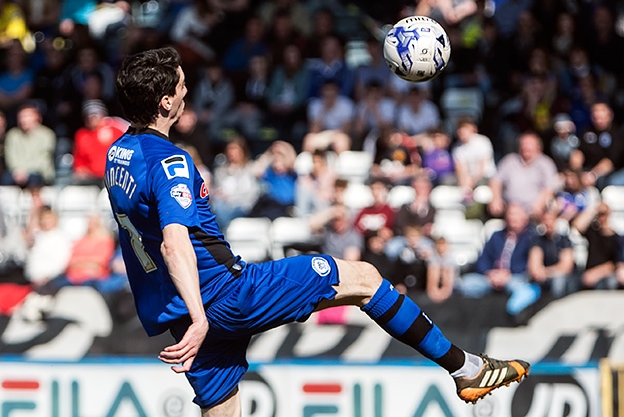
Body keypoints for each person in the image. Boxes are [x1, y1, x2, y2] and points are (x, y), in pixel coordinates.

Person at [107, 47, 529, 415]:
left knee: (223, 412)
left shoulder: (118, 154)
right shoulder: (170, 162)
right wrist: (201, 318)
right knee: (363, 279)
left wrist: (193, 319)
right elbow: (173, 242)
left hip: (177, 311)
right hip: (223, 297)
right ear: (165, 103)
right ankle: (466, 369)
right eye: (180, 86)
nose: (186, 91)